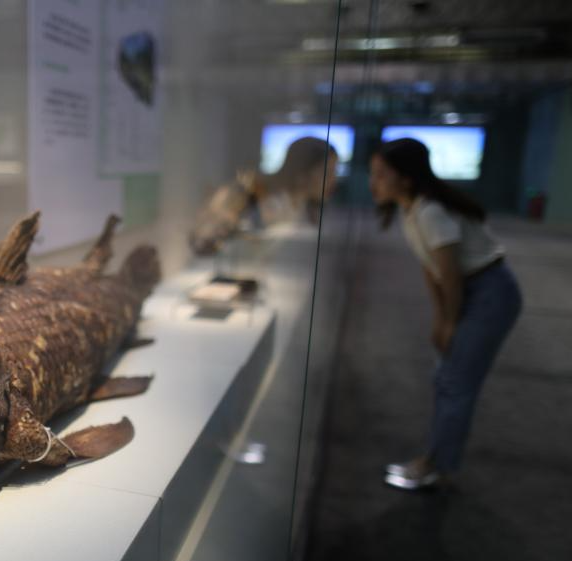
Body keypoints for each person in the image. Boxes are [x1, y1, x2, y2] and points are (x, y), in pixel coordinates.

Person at [369, 137, 522, 490]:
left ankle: (436, 465)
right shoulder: (411, 211)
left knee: (455, 382)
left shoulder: (429, 212)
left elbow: (451, 274)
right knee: (446, 378)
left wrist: (449, 321)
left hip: (488, 293)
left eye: (381, 174)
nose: (373, 183)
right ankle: (435, 459)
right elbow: (432, 268)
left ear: (406, 177)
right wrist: (441, 319)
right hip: (473, 291)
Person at [188, 136, 338, 256]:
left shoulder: (298, 207)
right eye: (328, 172)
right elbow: (203, 240)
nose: (333, 180)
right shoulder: (259, 197)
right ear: (303, 171)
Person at [258, 136, 338, 227]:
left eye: (335, 172)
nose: (333, 180)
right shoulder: (273, 206)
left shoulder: (305, 208)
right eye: (327, 173)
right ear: (302, 173)